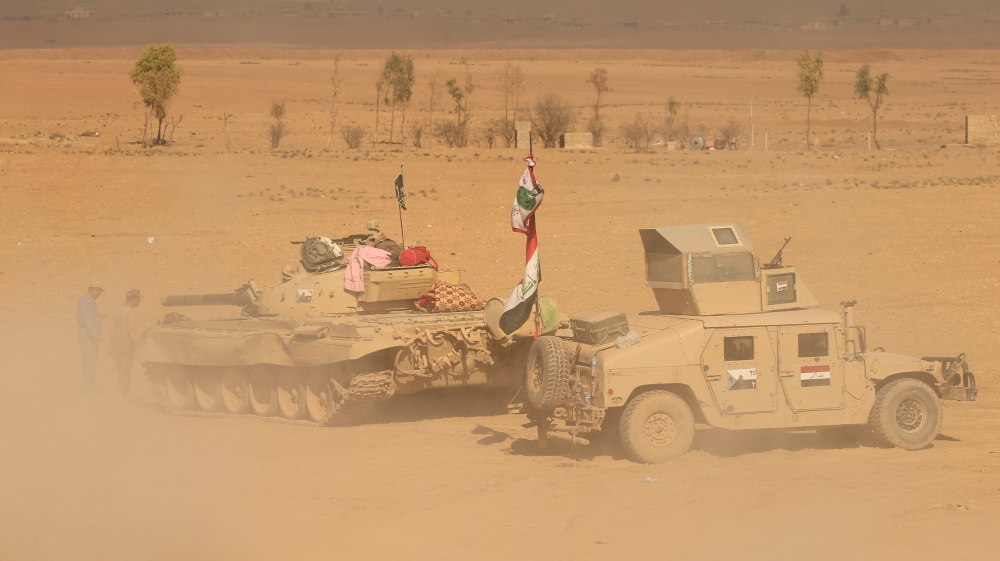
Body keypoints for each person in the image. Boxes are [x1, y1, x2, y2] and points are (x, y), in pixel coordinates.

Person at [111, 289, 142, 396]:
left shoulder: (117, 310)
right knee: (125, 372)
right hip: (127, 346)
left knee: (121, 371)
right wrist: (137, 346)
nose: (140, 301)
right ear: (133, 298)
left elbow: (114, 330)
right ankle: (122, 395)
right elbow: (131, 331)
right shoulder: (130, 312)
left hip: (118, 345)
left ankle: (123, 394)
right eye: (138, 298)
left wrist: (111, 346)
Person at [77, 281, 104, 392]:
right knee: (90, 362)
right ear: (95, 290)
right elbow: (87, 321)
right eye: (99, 292)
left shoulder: (87, 301)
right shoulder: (86, 302)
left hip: (88, 335)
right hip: (88, 336)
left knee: (90, 361)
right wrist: (96, 335)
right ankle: (88, 388)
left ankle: (88, 386)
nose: (100, 295)